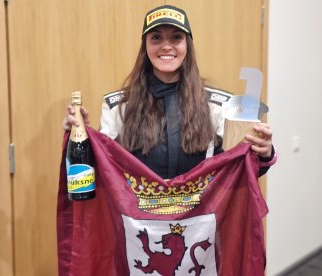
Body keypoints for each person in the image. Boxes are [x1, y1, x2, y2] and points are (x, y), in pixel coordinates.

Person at [62, 5, 275, 179]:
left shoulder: (220, 105)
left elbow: (240, 171)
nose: (166, 46)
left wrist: (264, 153)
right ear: (145, 46)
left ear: (187, 46)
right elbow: (100, 170)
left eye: (175, 37)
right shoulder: (117, 105)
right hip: (137, 225)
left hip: (200, 224)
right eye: (156, 38)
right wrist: (84, 138)